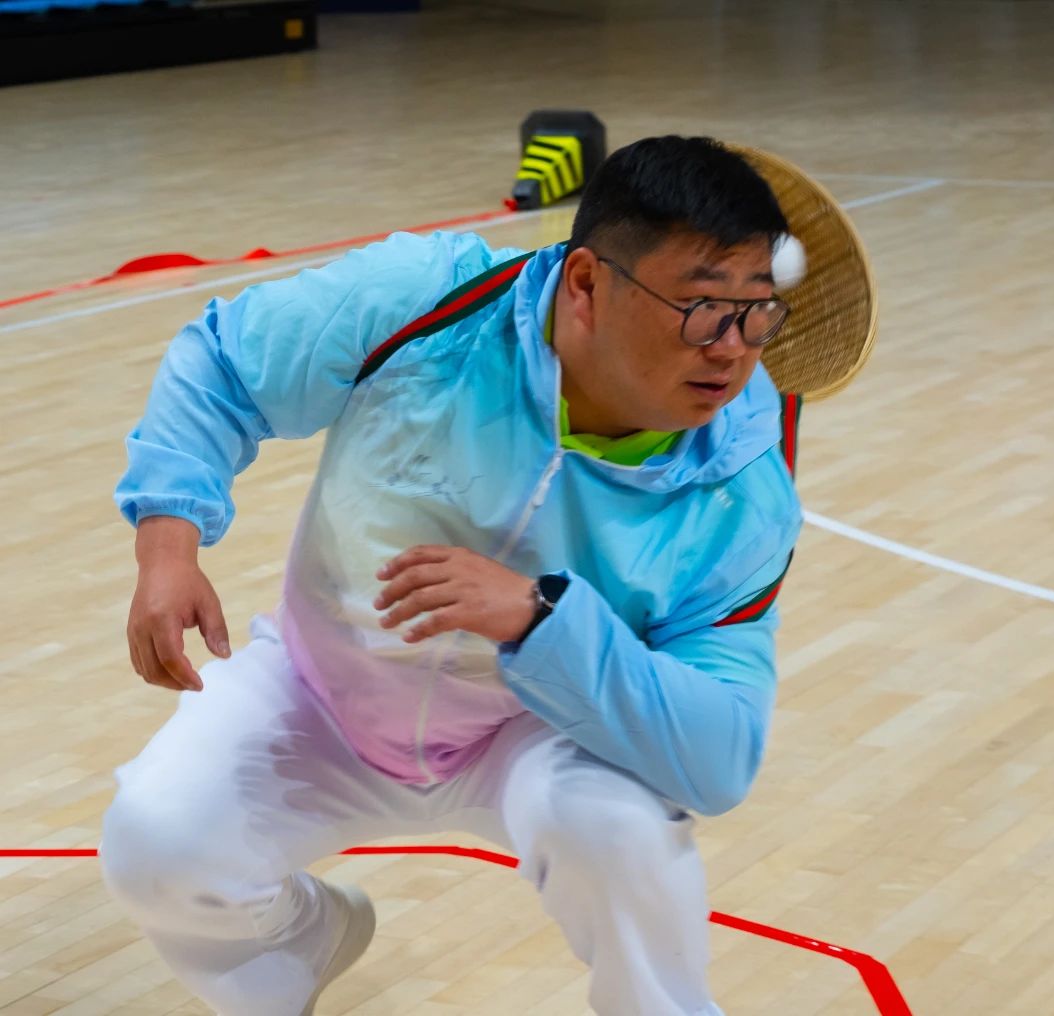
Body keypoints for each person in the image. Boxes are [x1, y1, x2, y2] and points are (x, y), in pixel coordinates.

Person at [99, 135, 804, 1016]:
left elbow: (719, 756)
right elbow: (224, 364)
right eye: (701, 308)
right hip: (324, 687)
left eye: (756, 312)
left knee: (623, 835)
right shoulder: (427, 298)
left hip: (538, 727)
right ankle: (305, 940)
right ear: (586, 283)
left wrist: (540, 620)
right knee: (155, 843)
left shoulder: (744, 489)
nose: (732, 349)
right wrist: (168, 544)